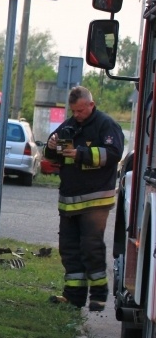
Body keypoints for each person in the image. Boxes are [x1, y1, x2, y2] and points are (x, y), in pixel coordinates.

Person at [43, 86, 123, 312]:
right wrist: (51, 146)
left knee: (91, 249)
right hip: (69, 201)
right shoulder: (69, 126)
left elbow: (114, 153)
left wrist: (81, 154)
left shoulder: (105, 125)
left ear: (91, 104)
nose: (76, 115)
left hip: (95, 201)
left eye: (80, 111)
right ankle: (73, 297)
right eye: (73, 111)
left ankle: (98, 297)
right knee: (68, 249)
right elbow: (55, 154)